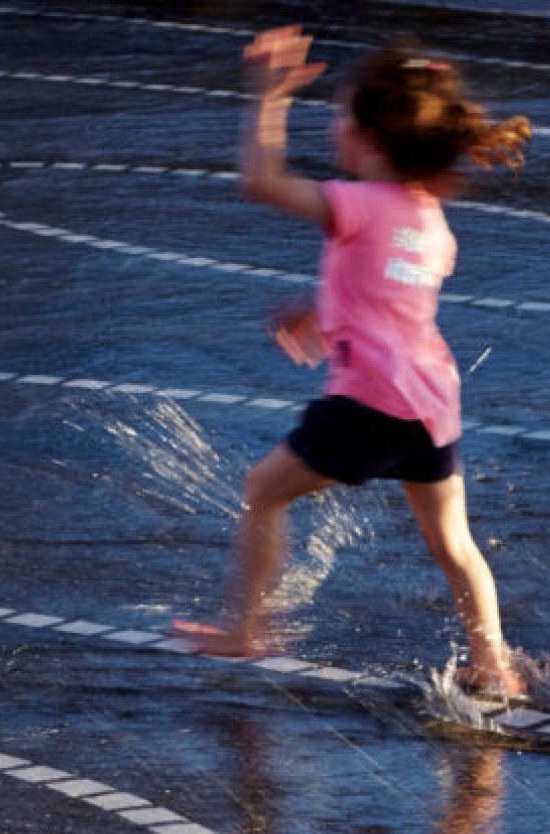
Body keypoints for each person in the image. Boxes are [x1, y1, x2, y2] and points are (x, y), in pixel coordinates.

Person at [176, 27, 531, 699]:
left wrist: (268, 97)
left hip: (369, 401)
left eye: (339, 114)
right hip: (430, 404)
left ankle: (243, 630)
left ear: (368, 139)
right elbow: (388, 290)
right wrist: (319, 307)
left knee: (263, 491)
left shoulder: (357, 203)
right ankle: (495, 667)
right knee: (454, 543)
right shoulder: (431, 221)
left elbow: (260, 181)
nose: (332, 124)